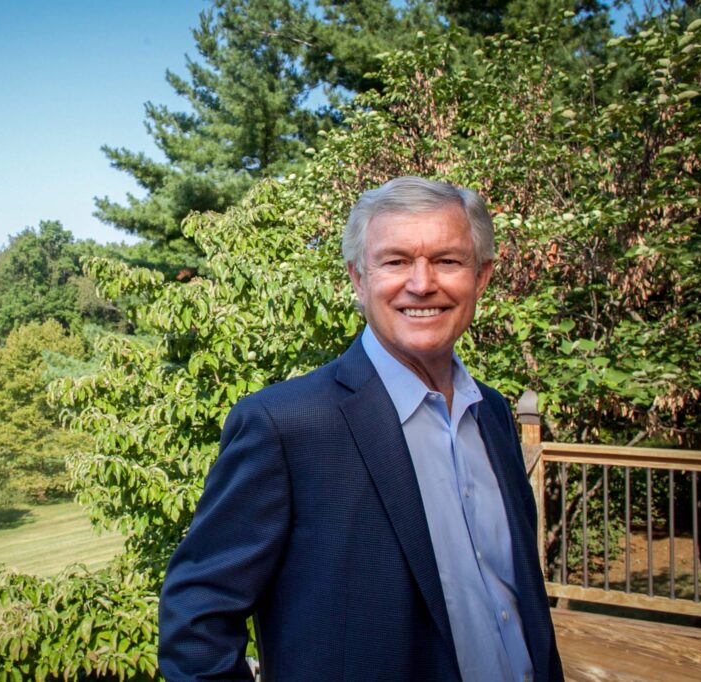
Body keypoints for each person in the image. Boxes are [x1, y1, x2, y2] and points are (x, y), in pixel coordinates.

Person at [158, 176, 562, 681]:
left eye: (447, 261)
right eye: (395, 261)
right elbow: (195, 623)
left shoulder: (495, 416)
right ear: (358, 277)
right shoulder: (285, 426)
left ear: (481, 277)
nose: (422, 283)